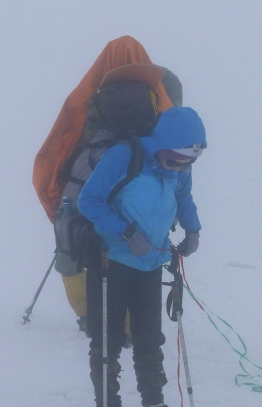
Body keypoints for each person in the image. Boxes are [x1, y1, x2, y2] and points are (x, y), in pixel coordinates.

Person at [78, 106, 206, 407]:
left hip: (152, 261)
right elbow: (88, 201)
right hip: (111, 261)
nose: (178, 167)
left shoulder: (179, 165)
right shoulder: (124, 156)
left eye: (186, 162)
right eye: (175, 159)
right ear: (162, 144)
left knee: (150, 342)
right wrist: (124, 233)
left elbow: (182, 196)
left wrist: (192, 226)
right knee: (107, 341)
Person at [33, 35, 180, 332]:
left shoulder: (94, 95)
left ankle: (90, 317)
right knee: (127, 253)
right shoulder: (159, 94)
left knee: (73, 245)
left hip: (80, 199)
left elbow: (64, 140)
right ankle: (128, 325)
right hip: (136, 210)